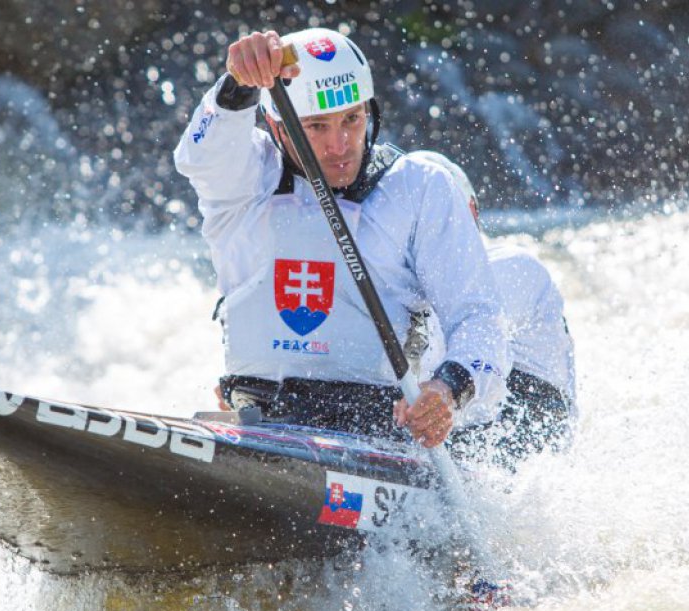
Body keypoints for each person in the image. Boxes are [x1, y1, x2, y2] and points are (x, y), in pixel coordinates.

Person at [173, 28, 506, 448]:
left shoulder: (419, 187)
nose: (340, 145)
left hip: (372, 431)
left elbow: (479, 317)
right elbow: (198, 153)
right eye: (316, 126)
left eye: (352, 118)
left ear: (371, 110)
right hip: (255, 419)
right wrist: (240, 82)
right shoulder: (244, 177)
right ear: (278, 127)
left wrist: (448, 390)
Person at [405, 151, 577, 467]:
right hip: (465, 429)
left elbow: (469, 336)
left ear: (472, 212)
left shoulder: (513, 266)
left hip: (529, 428)